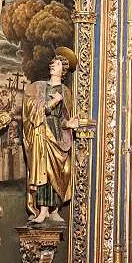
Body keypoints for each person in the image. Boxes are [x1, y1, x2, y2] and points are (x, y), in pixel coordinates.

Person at [22, 47, 79, 224]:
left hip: (59, 135)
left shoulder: (66, 92)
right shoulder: (38, 87)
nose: (52, 66)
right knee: (43, 170)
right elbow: (31, 110)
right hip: (43, 133)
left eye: (57, 64)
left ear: (64, 69)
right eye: (52, 64)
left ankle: (55, 209)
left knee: (61, 171)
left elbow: (64, 117)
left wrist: (68, 124)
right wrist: (52, 103)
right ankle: (43, 210)